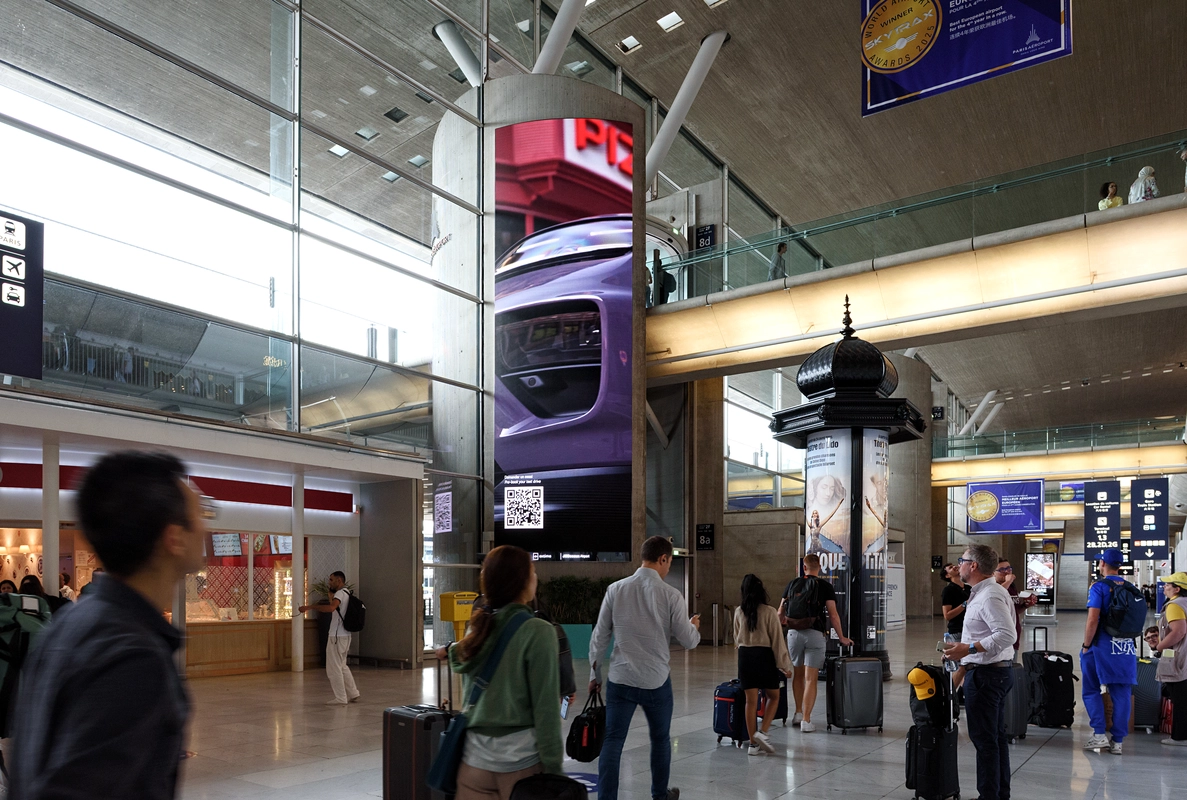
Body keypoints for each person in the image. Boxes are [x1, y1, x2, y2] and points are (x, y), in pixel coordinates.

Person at [8, 451, 208, 798]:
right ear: (173, 538)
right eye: (201, 514)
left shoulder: (71, 622)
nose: (207, 526)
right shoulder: (132, 657)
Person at [438, 546, 561, 800]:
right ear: (523, 581)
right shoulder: (538, 631)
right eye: (533, 571)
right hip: (520, 768)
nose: (536, 577)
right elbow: (546, 710)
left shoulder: (478, 629)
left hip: (473, 766)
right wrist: (554, 771)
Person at [590, 536, 700, 800]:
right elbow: (688, 641)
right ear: (662, 558)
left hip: (621, 678)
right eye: (669, 562)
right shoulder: (671, 595)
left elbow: (600, 635)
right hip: (656, 681)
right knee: (660, 739)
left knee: (613, 741)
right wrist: (694, 626)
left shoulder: (615, 589)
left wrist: (595, 673)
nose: (668, 568)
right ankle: (659, 795)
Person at [942, 544, 1017, 800]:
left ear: (973, 565)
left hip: (988, 675)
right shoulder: (981, 593)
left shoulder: (990, 595)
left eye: (961, 560)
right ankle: (996, 794)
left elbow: (1007, 634)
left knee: (985, 742)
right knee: (993, 740)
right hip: (986, 671)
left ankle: (989, 796)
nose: (959, 564)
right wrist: (962, 654)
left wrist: (969, 648)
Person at [777, 553, 852, 733]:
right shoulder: (825, 586)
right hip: (815, 634)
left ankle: (797, 712)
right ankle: (806, 720)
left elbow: (780, 613)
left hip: (794, 634)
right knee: (811, 678)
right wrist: (841, 638)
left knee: (798, 674)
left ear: (803, 567)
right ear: (819, 567)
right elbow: (833, 615)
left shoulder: (792, 584)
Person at [1080, 548, 1138, 755]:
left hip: (1101, 645)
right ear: (1119, 566)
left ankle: (1098, 734)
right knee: (1121, 692)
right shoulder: (1131, 587)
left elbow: (1093, 619)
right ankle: (1118, 742)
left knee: (1091, 688)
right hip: (1125, 646)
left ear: (1103, 564)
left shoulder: (1099, 587)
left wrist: (1086, 645)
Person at [733, 574, 792, 756]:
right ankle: (763, 732)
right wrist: (784, 665)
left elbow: (736, 639)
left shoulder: (738, 611)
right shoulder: (769, 612)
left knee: (750, 702)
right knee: (773, 697)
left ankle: (752, 744)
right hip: (764, 656)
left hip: (745, 657)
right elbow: (777, 641)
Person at [297, 571, 360, 705]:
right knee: (342, 666)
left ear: (339, 581)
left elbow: (332, 608)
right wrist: (330, 596)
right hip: (345, 635)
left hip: (336, 637)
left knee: (333, 668)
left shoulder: (339, 594)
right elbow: (338, 609)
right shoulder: (347, 593)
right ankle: (353, 693)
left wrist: (310, 607)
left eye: (331, 580)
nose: (329, 582)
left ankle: (341, 698)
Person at [1154, 572, 1187, 746]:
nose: (1164, 587)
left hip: (1180, 658)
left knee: (1180, 698)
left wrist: (1159, 647)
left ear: (1177, 588)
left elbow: (1179, 631)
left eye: (1168, 585)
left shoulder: (1175, 605)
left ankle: (1180, 736)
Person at [995, 558, 1037, 660]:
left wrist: (1026, 605)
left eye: (1009, 568)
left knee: (1013, 667)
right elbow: (995, 593)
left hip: (1014, 633)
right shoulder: (993, 587)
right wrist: (1008, 581)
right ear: (992, 573)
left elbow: (1015, 611)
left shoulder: (1011, 587)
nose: (1006, 571)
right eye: (1002, 569)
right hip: (999, 636)